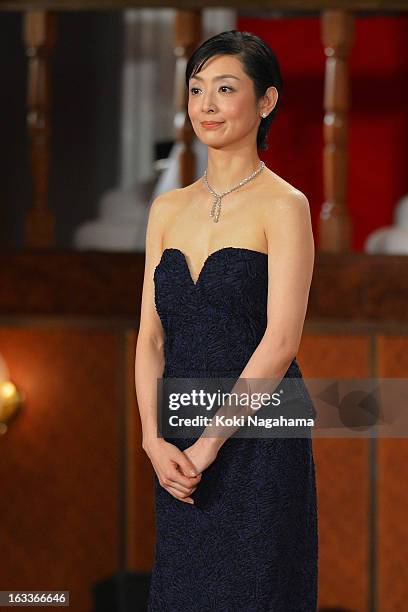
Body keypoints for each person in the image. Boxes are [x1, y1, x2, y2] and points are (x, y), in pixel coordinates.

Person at [135, 29, 318, 611]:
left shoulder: (285, 205)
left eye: (225, 88)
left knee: (257, 591)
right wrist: (151, 438)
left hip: (258, 437)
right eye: (196, 89)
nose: (206, 105)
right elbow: (151, 337)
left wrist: (211, 443)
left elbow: (282, 340)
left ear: (266, 102)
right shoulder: (166, 208)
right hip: (178, 441)